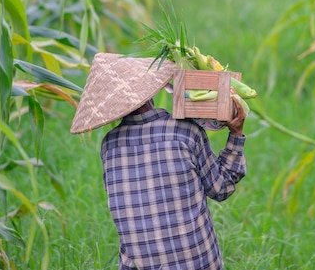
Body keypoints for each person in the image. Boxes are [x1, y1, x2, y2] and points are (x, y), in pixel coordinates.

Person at [70, 53, 247, 270]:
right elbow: (222, 188)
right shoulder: (185, 131)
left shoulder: (109, 145)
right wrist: (236, 135)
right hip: (199, 264)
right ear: (149, 90)